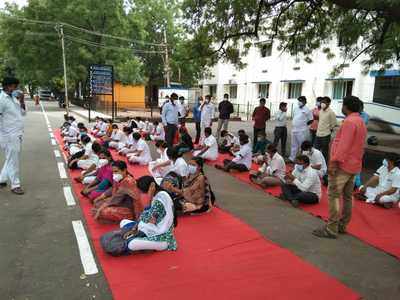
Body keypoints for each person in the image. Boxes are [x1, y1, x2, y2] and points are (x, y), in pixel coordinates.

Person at [313, 96, 367, 239]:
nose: (342, 107)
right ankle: (342, 225)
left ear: (347, 106)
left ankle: (332, 228)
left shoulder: (350, 122)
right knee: (347, 197)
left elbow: (344, 146)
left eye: (343, 105)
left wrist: (333, 163)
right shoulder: (360, 121)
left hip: (343, 165)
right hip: (353, 165)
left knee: (334, 195)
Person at [119, 176, 177, 252]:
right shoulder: (157, 195)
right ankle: (141, 237)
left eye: (144, 192)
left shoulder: (161, 198)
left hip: (162, 236)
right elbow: (144, 217)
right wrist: (134, 229)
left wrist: (149, 199)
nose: (143, 194)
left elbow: (149, 218)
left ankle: (149, 242)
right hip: (152, 227)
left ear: (152, 186)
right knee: (123, 222)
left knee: (132, 244)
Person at [0, 77, 26, 195]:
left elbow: (22, 113)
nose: (15, 88)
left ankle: (2, 179)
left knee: (10, 158)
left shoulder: (13, 98)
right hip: (8, 135)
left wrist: (21, 101)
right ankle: (15, 185)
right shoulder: (1, 99)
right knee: (13, 160)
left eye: (15, 86)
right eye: (13, 86)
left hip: (17, 133)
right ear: (6, 86)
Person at [289, 96, 313, 161]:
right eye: (299, 100)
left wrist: (304, 125)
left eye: (301, 101)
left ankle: (304, 159)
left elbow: (311, 120)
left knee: (302, 145)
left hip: (302, 130)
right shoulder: (295, 109)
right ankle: (292, 158)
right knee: (294, 145)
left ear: (305, 102)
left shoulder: (307, 110)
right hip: (294, 130)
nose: (300, 102)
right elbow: (294, 117)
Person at [314, 96, 337, 162]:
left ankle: (324, 165)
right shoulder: (320, 111)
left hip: (326, 135)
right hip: (318, 134)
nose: (322, 103)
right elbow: (320, 121)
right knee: (316, 150)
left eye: (324, 102)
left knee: (325, 152)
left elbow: (333, 124)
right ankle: (316, 163)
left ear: (329, 103)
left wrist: (328, 130)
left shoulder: (331, 112)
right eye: (322, 102)